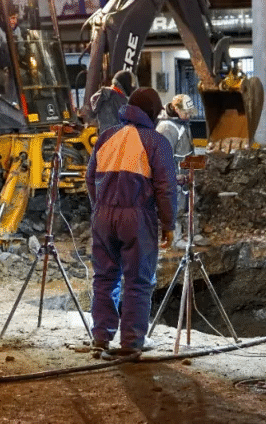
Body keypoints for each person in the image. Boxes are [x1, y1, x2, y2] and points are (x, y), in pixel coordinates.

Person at [86, 87, 177, 359]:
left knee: (104, 277)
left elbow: (91, 179)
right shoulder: (155, 142)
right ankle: (131, 344)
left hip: (102, 216)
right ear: (151, 112)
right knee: (137, 280)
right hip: (136, 218)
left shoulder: (106, 136)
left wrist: (100, 207)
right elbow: (165, 188)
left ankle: (101, 337)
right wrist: (169, 224)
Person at [156, 93, 205, 248]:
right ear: (176, 109)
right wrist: (173, 176)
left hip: (185, 173)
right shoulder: (167, 128)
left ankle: (191, 233)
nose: (189, 115)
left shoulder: (182, 123)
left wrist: (196, 162)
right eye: (186, 112)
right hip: (175, 176)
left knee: (189, 202)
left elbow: (184, 150)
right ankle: (175, 239)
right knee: (174, 205)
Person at [89, 69, 138, 133]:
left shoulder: (103, 96)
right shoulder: (119, 100)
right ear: (126, 84)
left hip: (104, 139)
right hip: (118, 140)